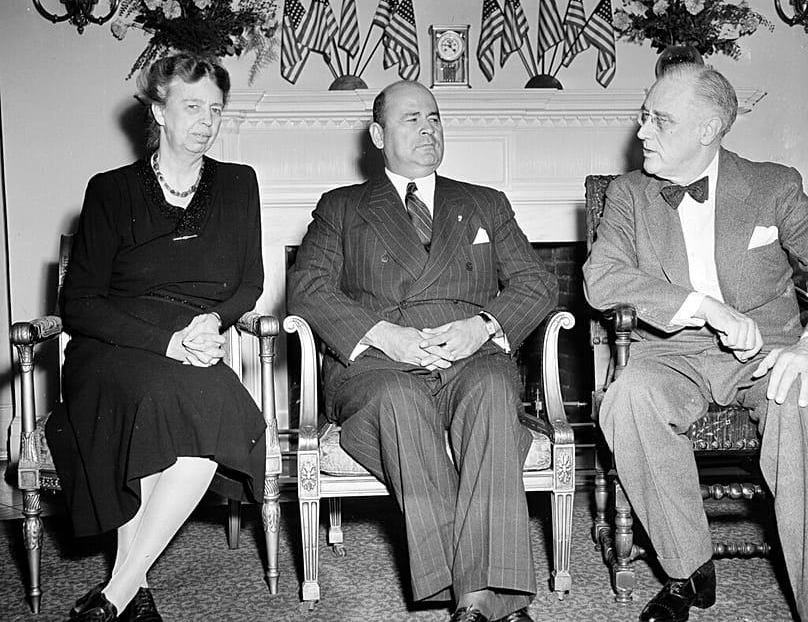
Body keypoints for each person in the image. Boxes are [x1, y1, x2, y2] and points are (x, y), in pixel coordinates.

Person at [287, 80, 558, 622]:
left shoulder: (485, 203)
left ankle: (475, 603)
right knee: (399, 401)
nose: (428, 126)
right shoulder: (341, 208)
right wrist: (388, 336)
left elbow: (536, 284)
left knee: (491, 390)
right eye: (411, 118)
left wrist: (481, 327)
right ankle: (485, 596)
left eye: (434, 116)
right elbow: (308, 288)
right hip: (380, 367)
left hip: (470, 358)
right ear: (377, 135)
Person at [45, 53, 266, 622]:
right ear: (159, 111)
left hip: (198, 338)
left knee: (209, 410)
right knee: (150, 400)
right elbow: (81, 302)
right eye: (192, 106)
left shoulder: (240, 184)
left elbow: (250, 282)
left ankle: (116, 596)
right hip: (118, 345)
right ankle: (128, 595)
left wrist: (210, 324)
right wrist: (166, 341)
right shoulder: (111, 191)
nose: (206, 120)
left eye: (215, 109)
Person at [583, 63, 808, 622]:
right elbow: (602, 278)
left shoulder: (775, 184)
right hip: (669, 350)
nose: (642, 132)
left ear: (708, 130)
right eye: (643, 116)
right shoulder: (629, 194)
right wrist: (701, 306)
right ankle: (686, 568)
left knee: (799, 397)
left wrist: (806, 348)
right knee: (629, 398)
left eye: (660, 120)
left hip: (766, 352)